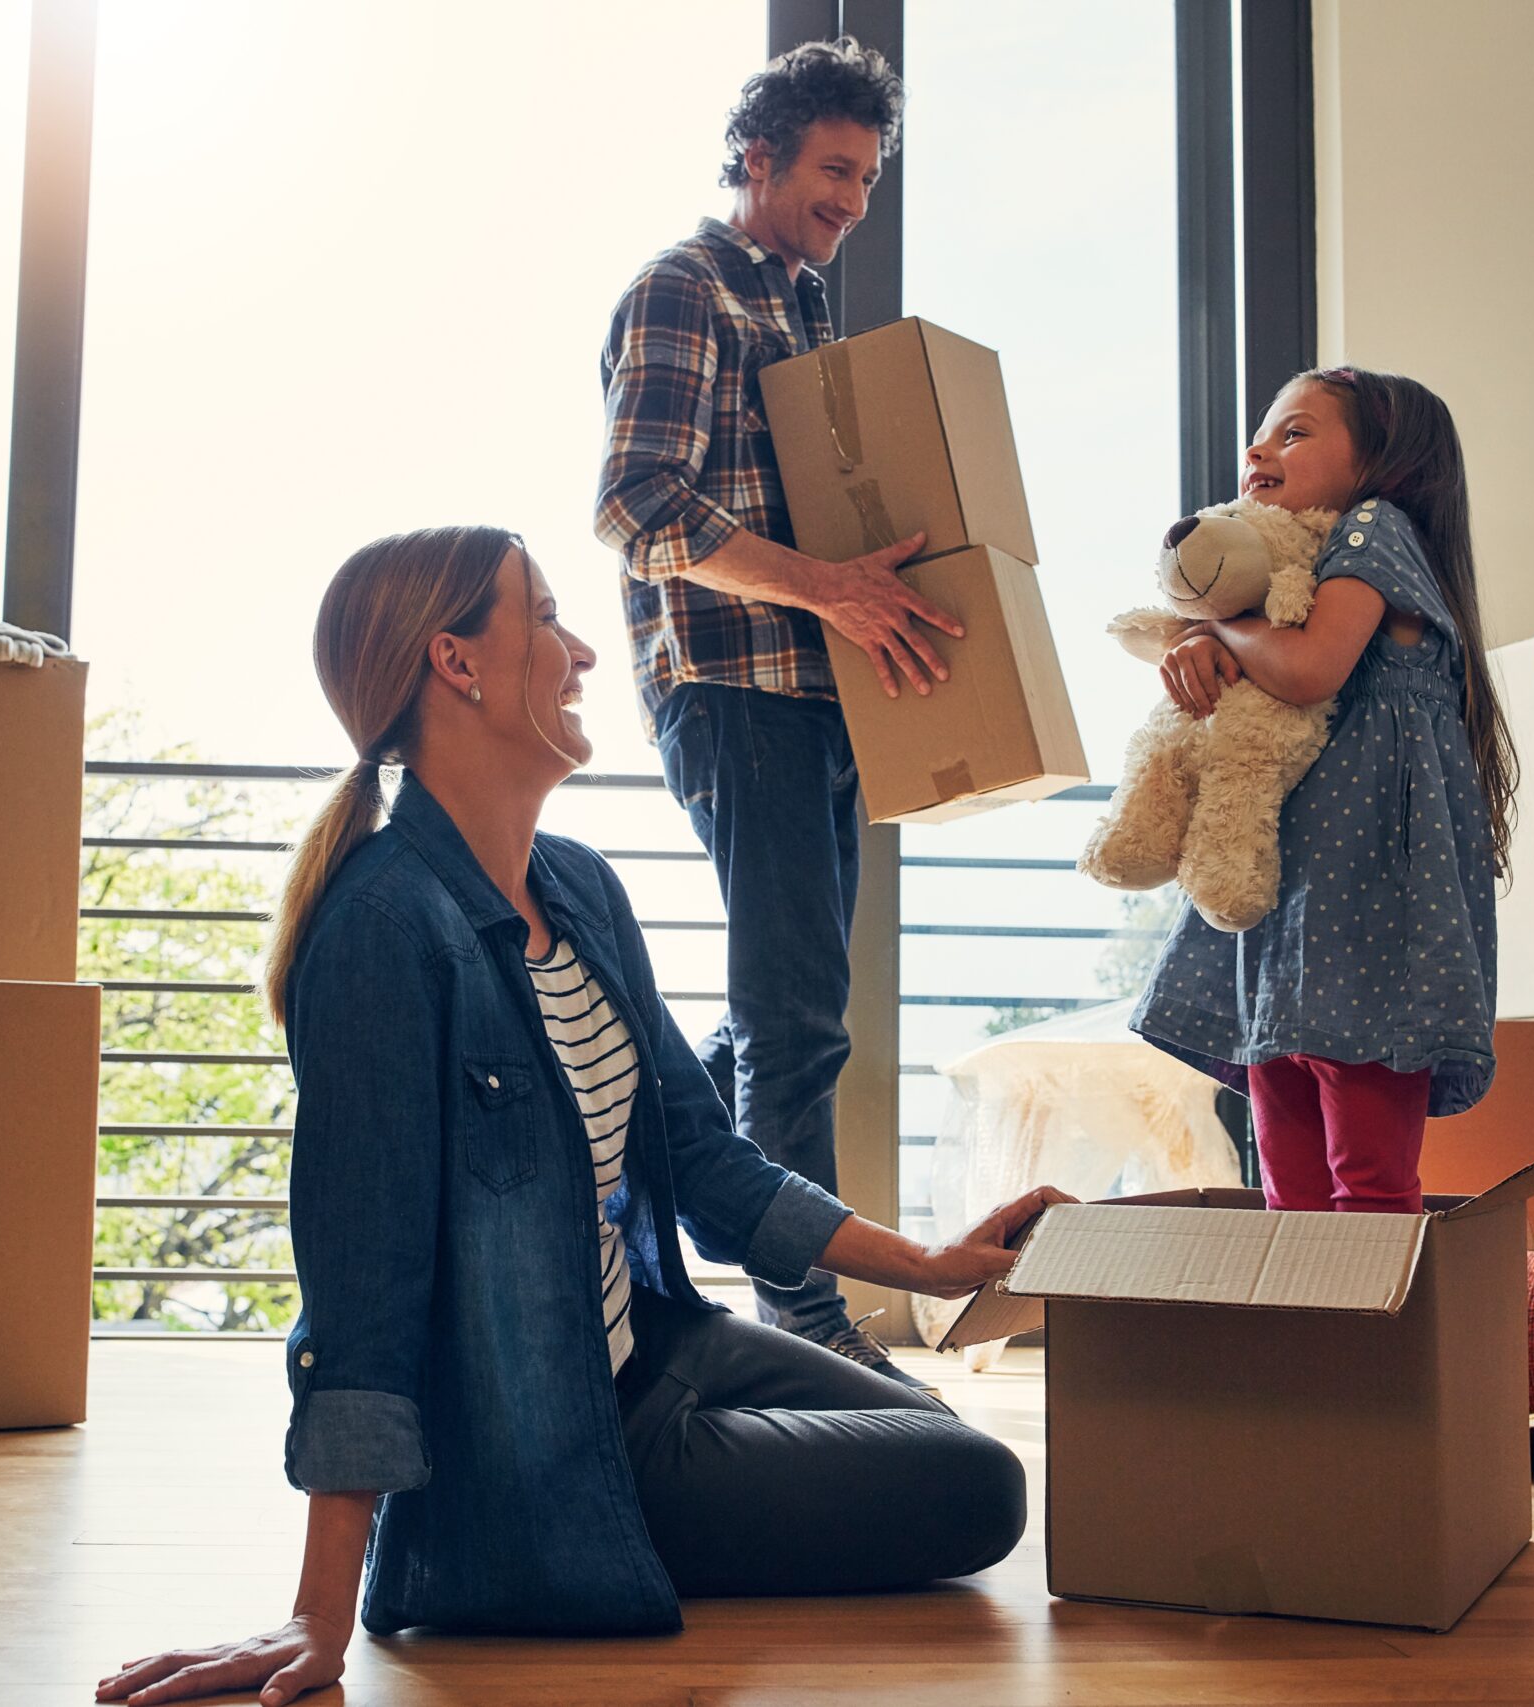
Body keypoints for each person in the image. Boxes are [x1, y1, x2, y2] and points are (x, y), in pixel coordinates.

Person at [97, 526, 1057, 1707]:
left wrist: (929, 1262)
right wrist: (317, 1614)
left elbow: (705, 1158)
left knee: (939, 1434)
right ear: (458, 664)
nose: (584, 650)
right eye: (547, 618)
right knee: (977, 1495)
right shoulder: (382, 933)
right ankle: (536, 1562)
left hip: (652, 1349)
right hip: (553, 1442)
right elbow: (363, 1286)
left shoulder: (581, 889)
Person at [596, 37, 963, 1383]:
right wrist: (831, 590)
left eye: (867, 182)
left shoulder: (808, 318)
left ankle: (659, 1155)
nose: (850, 205)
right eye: (832, 172)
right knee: (801, 1015)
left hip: (818, 697)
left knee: (784, 1014)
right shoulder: (686, 288)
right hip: (734, 688)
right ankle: (802, 1309)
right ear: (757, 155)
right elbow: (638, 507)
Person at [1133, 368, 1515, 1214]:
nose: (1259, 450)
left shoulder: (1375, 529)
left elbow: (1308, 669)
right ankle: (1310, 1347)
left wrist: (1216, 622)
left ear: (1381, 463)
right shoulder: (1284, 574)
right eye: (1263, 434)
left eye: (1296, 433)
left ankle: (1378, 1349)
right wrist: (1209, 633)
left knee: (1367, 1185)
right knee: (1291, 1192)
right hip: (1289, 924)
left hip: (1362, 927)